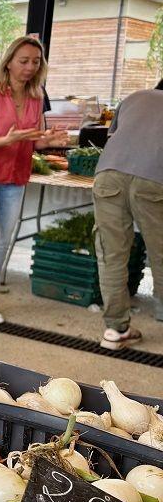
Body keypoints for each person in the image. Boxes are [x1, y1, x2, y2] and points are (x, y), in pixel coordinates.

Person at [0, 37, 69, 324]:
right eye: (24, 61)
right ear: (8, 62)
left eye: (35, 62)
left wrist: (49, 141)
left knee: (4, 242)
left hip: (15, 175)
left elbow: (34, 141)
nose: (30, 67)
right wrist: (6, 139)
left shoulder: (36, 96)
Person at [91, 87, 163, 349]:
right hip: (155, 181)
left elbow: (114, 137)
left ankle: (115, 329)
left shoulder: (134, 97)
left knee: (111, 254)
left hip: (108, 174)